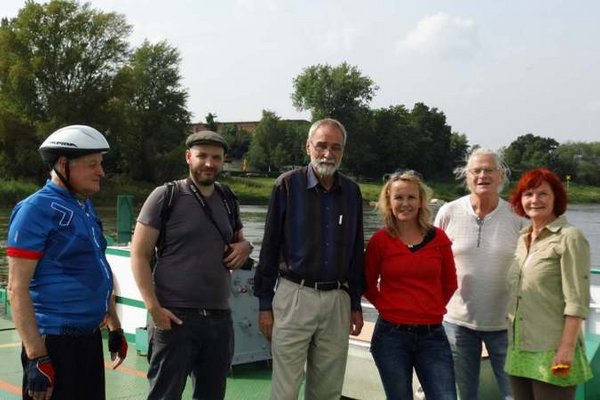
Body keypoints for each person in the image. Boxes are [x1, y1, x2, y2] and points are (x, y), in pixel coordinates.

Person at [7, 125, 127, 400]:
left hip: (88, 339)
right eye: (92, 164)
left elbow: (97, 265)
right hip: (55, 342)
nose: (102, 172)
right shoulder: (34, 210)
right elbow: (16, 288)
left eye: (101, 163)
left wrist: (114, 323)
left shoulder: (83, 205)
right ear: (64, 164)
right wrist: (37, 356)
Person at [130, 130, 253, 400]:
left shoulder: (228, 198)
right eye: (202, 156)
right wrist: (154, 308)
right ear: (188, 157)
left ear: (223, 161)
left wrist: (246, 247)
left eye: (216, 158)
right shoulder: (166, 196)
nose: (209, 163)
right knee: (165, 394)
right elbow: (138, 255)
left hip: (219, 320)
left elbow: (239, 243)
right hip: (175, 318)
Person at [253, 118, 365, 400]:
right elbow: (269, 248)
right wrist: (265, 305)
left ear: (343, 151)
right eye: (322, 146)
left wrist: (355, 304)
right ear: (308, 147)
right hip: (294, 296)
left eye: (336, 148)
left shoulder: (352, 193)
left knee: (328, 390)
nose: (328, 154)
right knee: (286, 388)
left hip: (337, 300)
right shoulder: (287, 186)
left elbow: (354, 251)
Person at [434, 148, 523, 400]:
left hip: (505, 324)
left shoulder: (518, 216)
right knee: (462, 395)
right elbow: (432, 262)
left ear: (501, 175)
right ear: (467, 176)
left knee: (514, 394)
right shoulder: (448, 212)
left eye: (489, 170)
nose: (482, 175)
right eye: (476, 171)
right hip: (456, 323)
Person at [364, 170, 458, 399]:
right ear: (389, 202)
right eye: (399, 198)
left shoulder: (439, 239)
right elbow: (366, 284)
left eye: (411, 197)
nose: (405, 203)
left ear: (420, 201)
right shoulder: (380, 241)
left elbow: (450, 283)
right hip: (391, 337)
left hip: (432, 335)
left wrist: (428, 307)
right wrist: (389, 307)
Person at [505, 168, 592, 399]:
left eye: (543, 194)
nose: (535, 200)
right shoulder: (523, 238)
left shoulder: (569, 237)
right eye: (528, 194)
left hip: (552, 350)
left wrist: (566, 349)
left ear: (556, 198)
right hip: (519, 349)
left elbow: (576, 301)